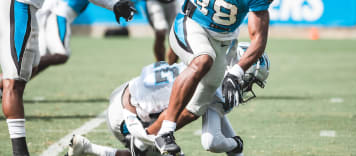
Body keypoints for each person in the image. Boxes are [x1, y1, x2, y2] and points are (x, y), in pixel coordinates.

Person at [0, 0, 135, 155]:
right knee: (14, 82)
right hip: (17, 1)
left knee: (24, 73)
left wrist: (114, 5)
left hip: (30, 7)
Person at [149, 0, 280, 155]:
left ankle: (146, 138)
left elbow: (258, 38)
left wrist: (236, 72)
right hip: (191, 23)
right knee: (203, 60)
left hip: (224, 41)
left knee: (196, 108)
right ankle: (165, 132)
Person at [65, 41, 270, 156]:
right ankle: (93, 150)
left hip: (124, 93)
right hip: (129, 116)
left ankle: (89, 148)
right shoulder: (214, 89)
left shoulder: (207, 61)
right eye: (248, 80)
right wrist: (236, 145)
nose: (246, 86)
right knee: (155, 150)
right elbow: (212, 141)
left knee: (154, 149)